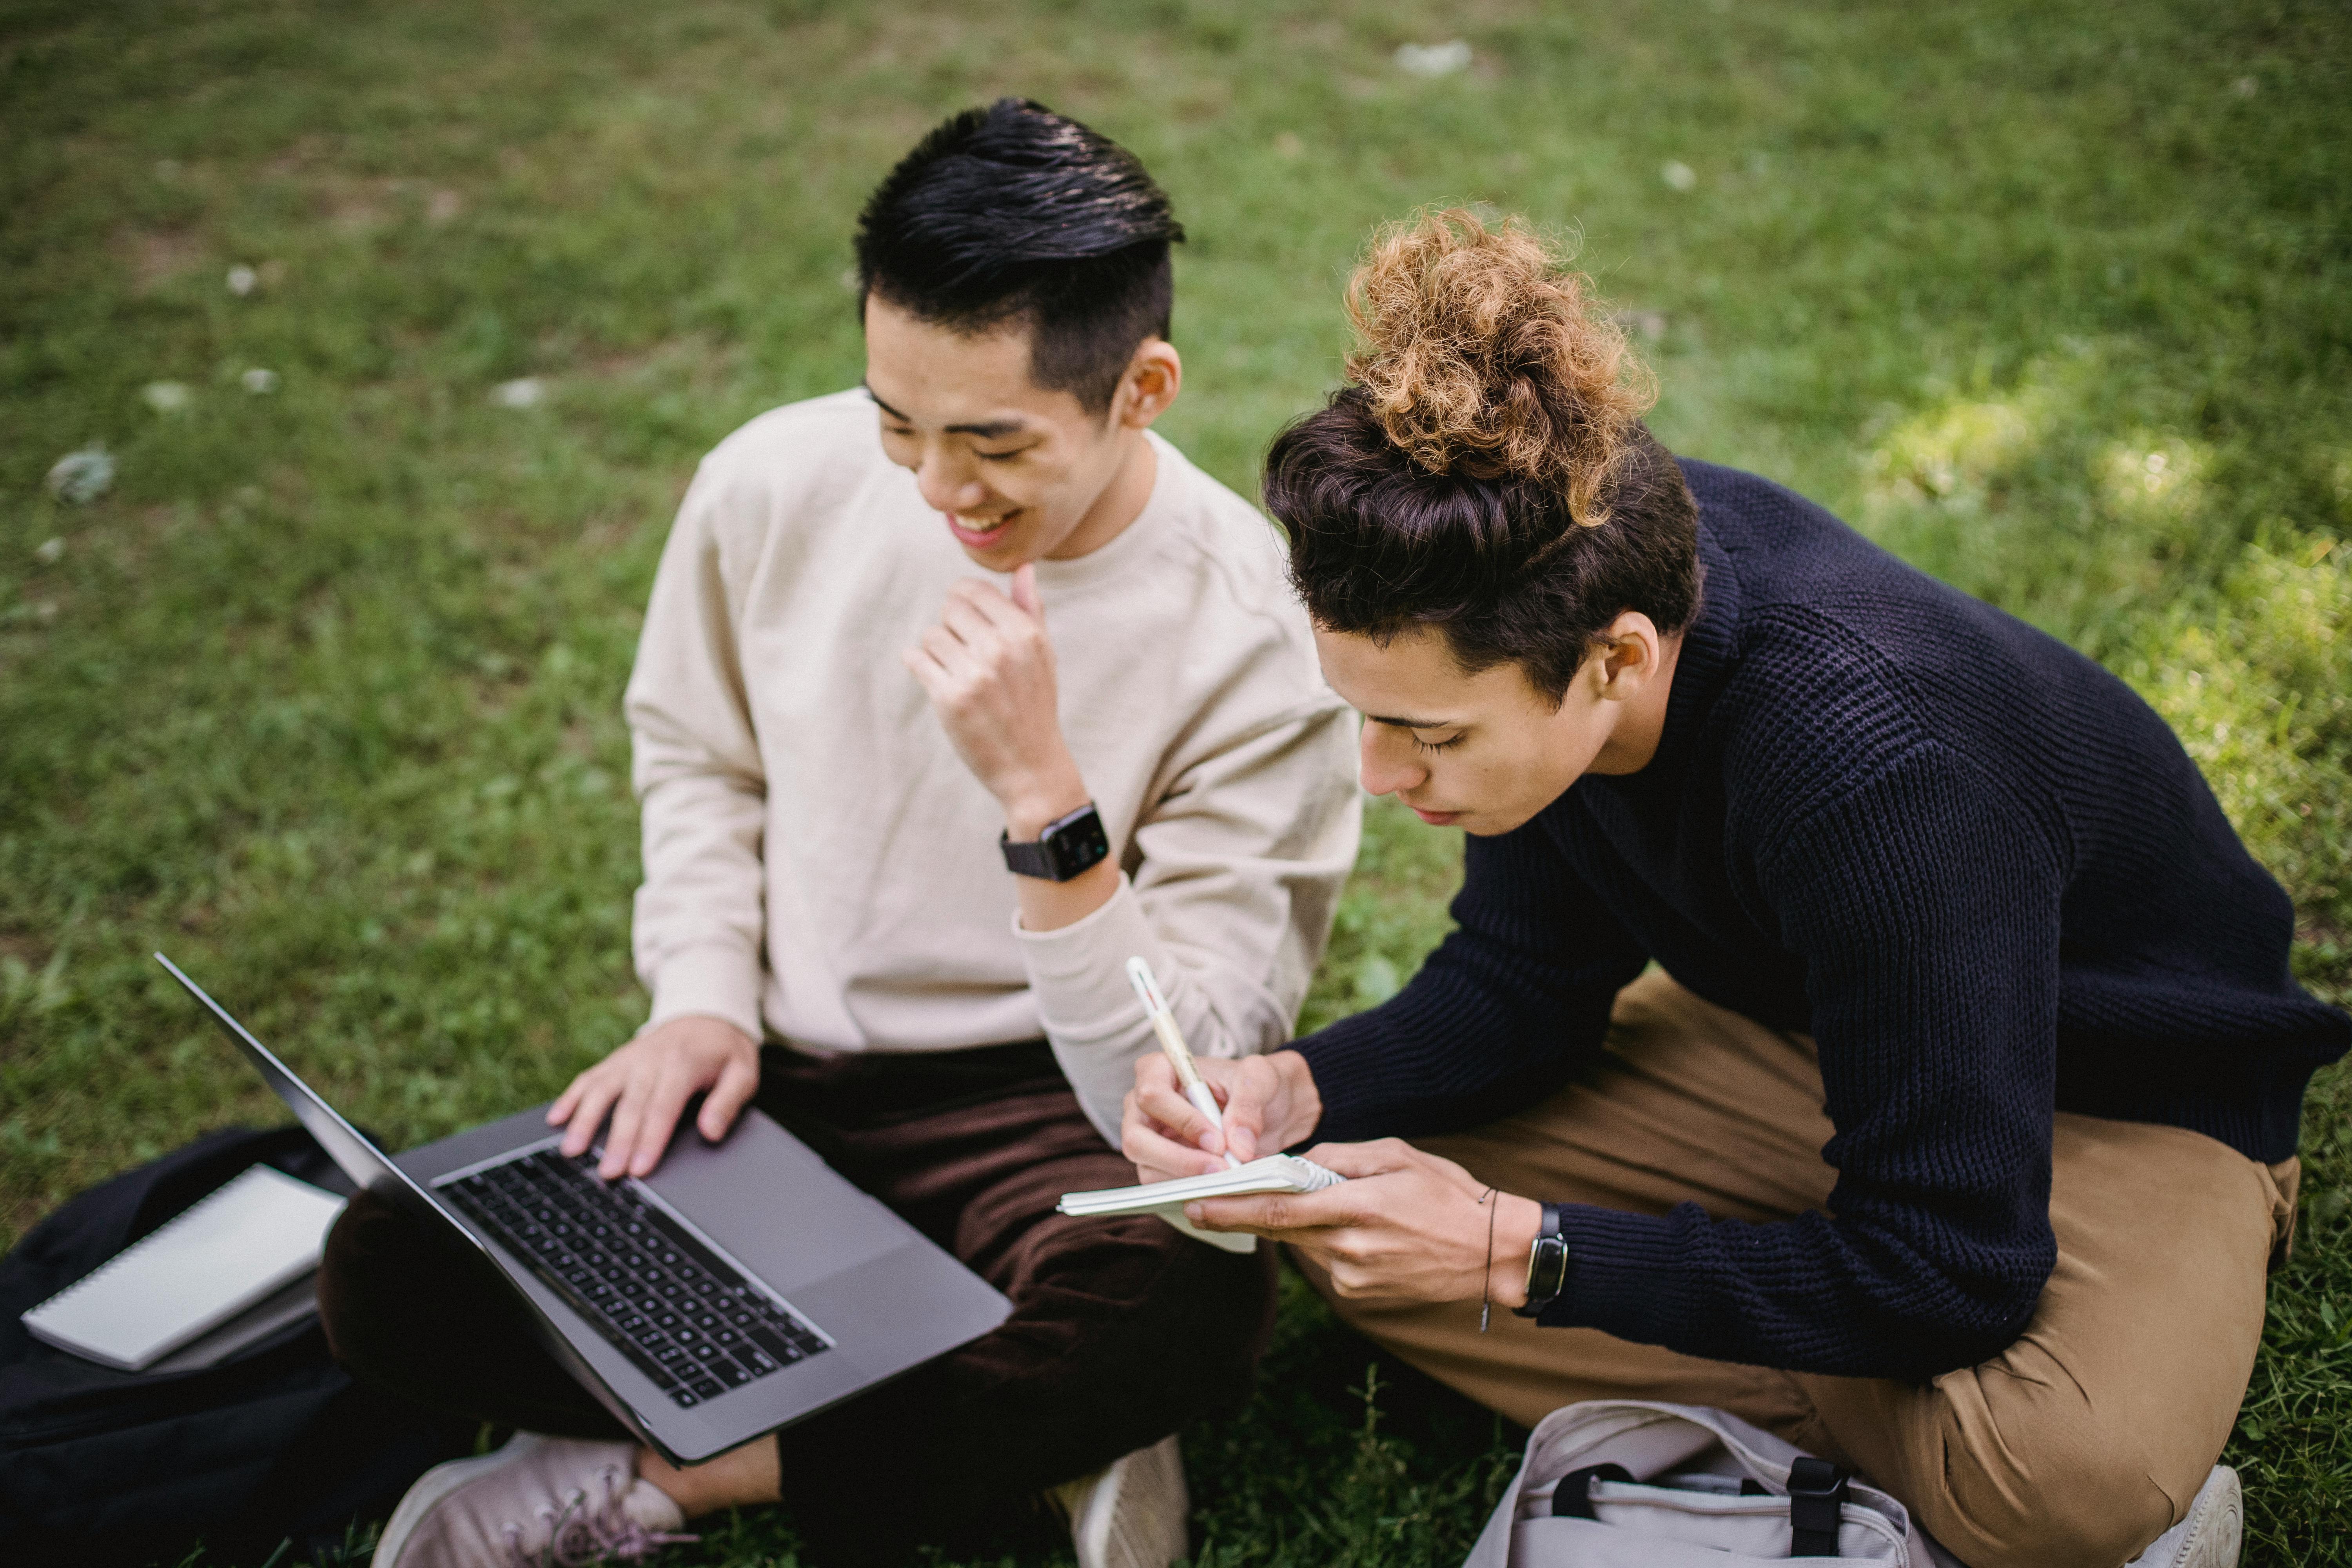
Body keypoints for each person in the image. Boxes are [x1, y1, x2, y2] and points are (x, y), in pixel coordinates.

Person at [1122, 210, 2350, 1568]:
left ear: (1618, 660)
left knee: (2055, 1481)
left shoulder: (1881, 773)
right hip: (1804, 1035)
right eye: (1366, 716)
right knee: (1339, 1214)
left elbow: (1954, 1269)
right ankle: (1836, 1341)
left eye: (1433, 735)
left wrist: (1517, 1256)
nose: (1381, 774)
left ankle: (1874, 1353)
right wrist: (1295, 1092)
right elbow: (1524, 984)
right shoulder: (1553, 568)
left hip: (2126, 1097)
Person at [321, 100, 1361, 1568]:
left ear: (1145, 390)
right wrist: (698, 999)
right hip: (788, 1085)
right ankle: (996, 1435)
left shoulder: (1258, 631)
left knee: (1185, 1294)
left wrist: (1047, 804)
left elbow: (1184, 1080)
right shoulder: (770, 483)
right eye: (898, 425)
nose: (939, 491)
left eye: (992, 443)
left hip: (1052, 1117)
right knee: (390, 1272)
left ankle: (685, 1471)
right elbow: (697, 755)